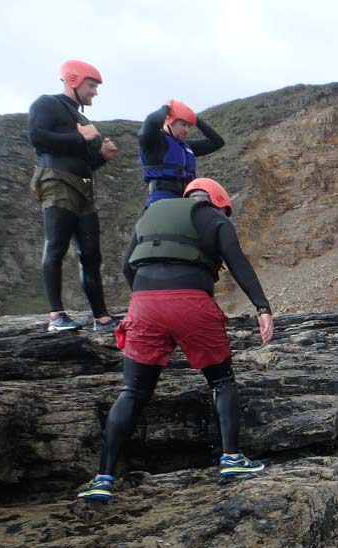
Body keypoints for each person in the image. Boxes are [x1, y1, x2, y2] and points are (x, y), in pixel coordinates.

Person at [77, 178, 274, 502]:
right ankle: (231, 460)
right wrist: (262, 308)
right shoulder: (215, 218)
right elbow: (239, 264)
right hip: (191, 303)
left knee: (133, 391)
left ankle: (103, 477)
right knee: (221, 381)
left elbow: (128, 267)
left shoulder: (150, 215)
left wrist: (147, 296)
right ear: (217, 201)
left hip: (143, 305)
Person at [27, 60, 118, 333]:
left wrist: (101, 157)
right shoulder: (47, 104)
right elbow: (37, 137)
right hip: (56, 180)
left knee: (91, 253)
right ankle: (56, 316)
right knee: (56, 245)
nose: (95, 93)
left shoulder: (81, 119)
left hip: (83, 185)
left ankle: (101, 318)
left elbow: (86, 163)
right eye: (92, 86)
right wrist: (80, 137)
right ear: (74, 80)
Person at [138, 99, 225, 206]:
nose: (187, 130)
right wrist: (166, 106)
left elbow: (217, 142)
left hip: (187, 200)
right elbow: (151, 123)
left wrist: (194, 118)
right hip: (162, 200)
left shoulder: (187, 147)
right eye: (183, 124)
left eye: (189, 126)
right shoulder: (153, 142)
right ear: (169, 120)